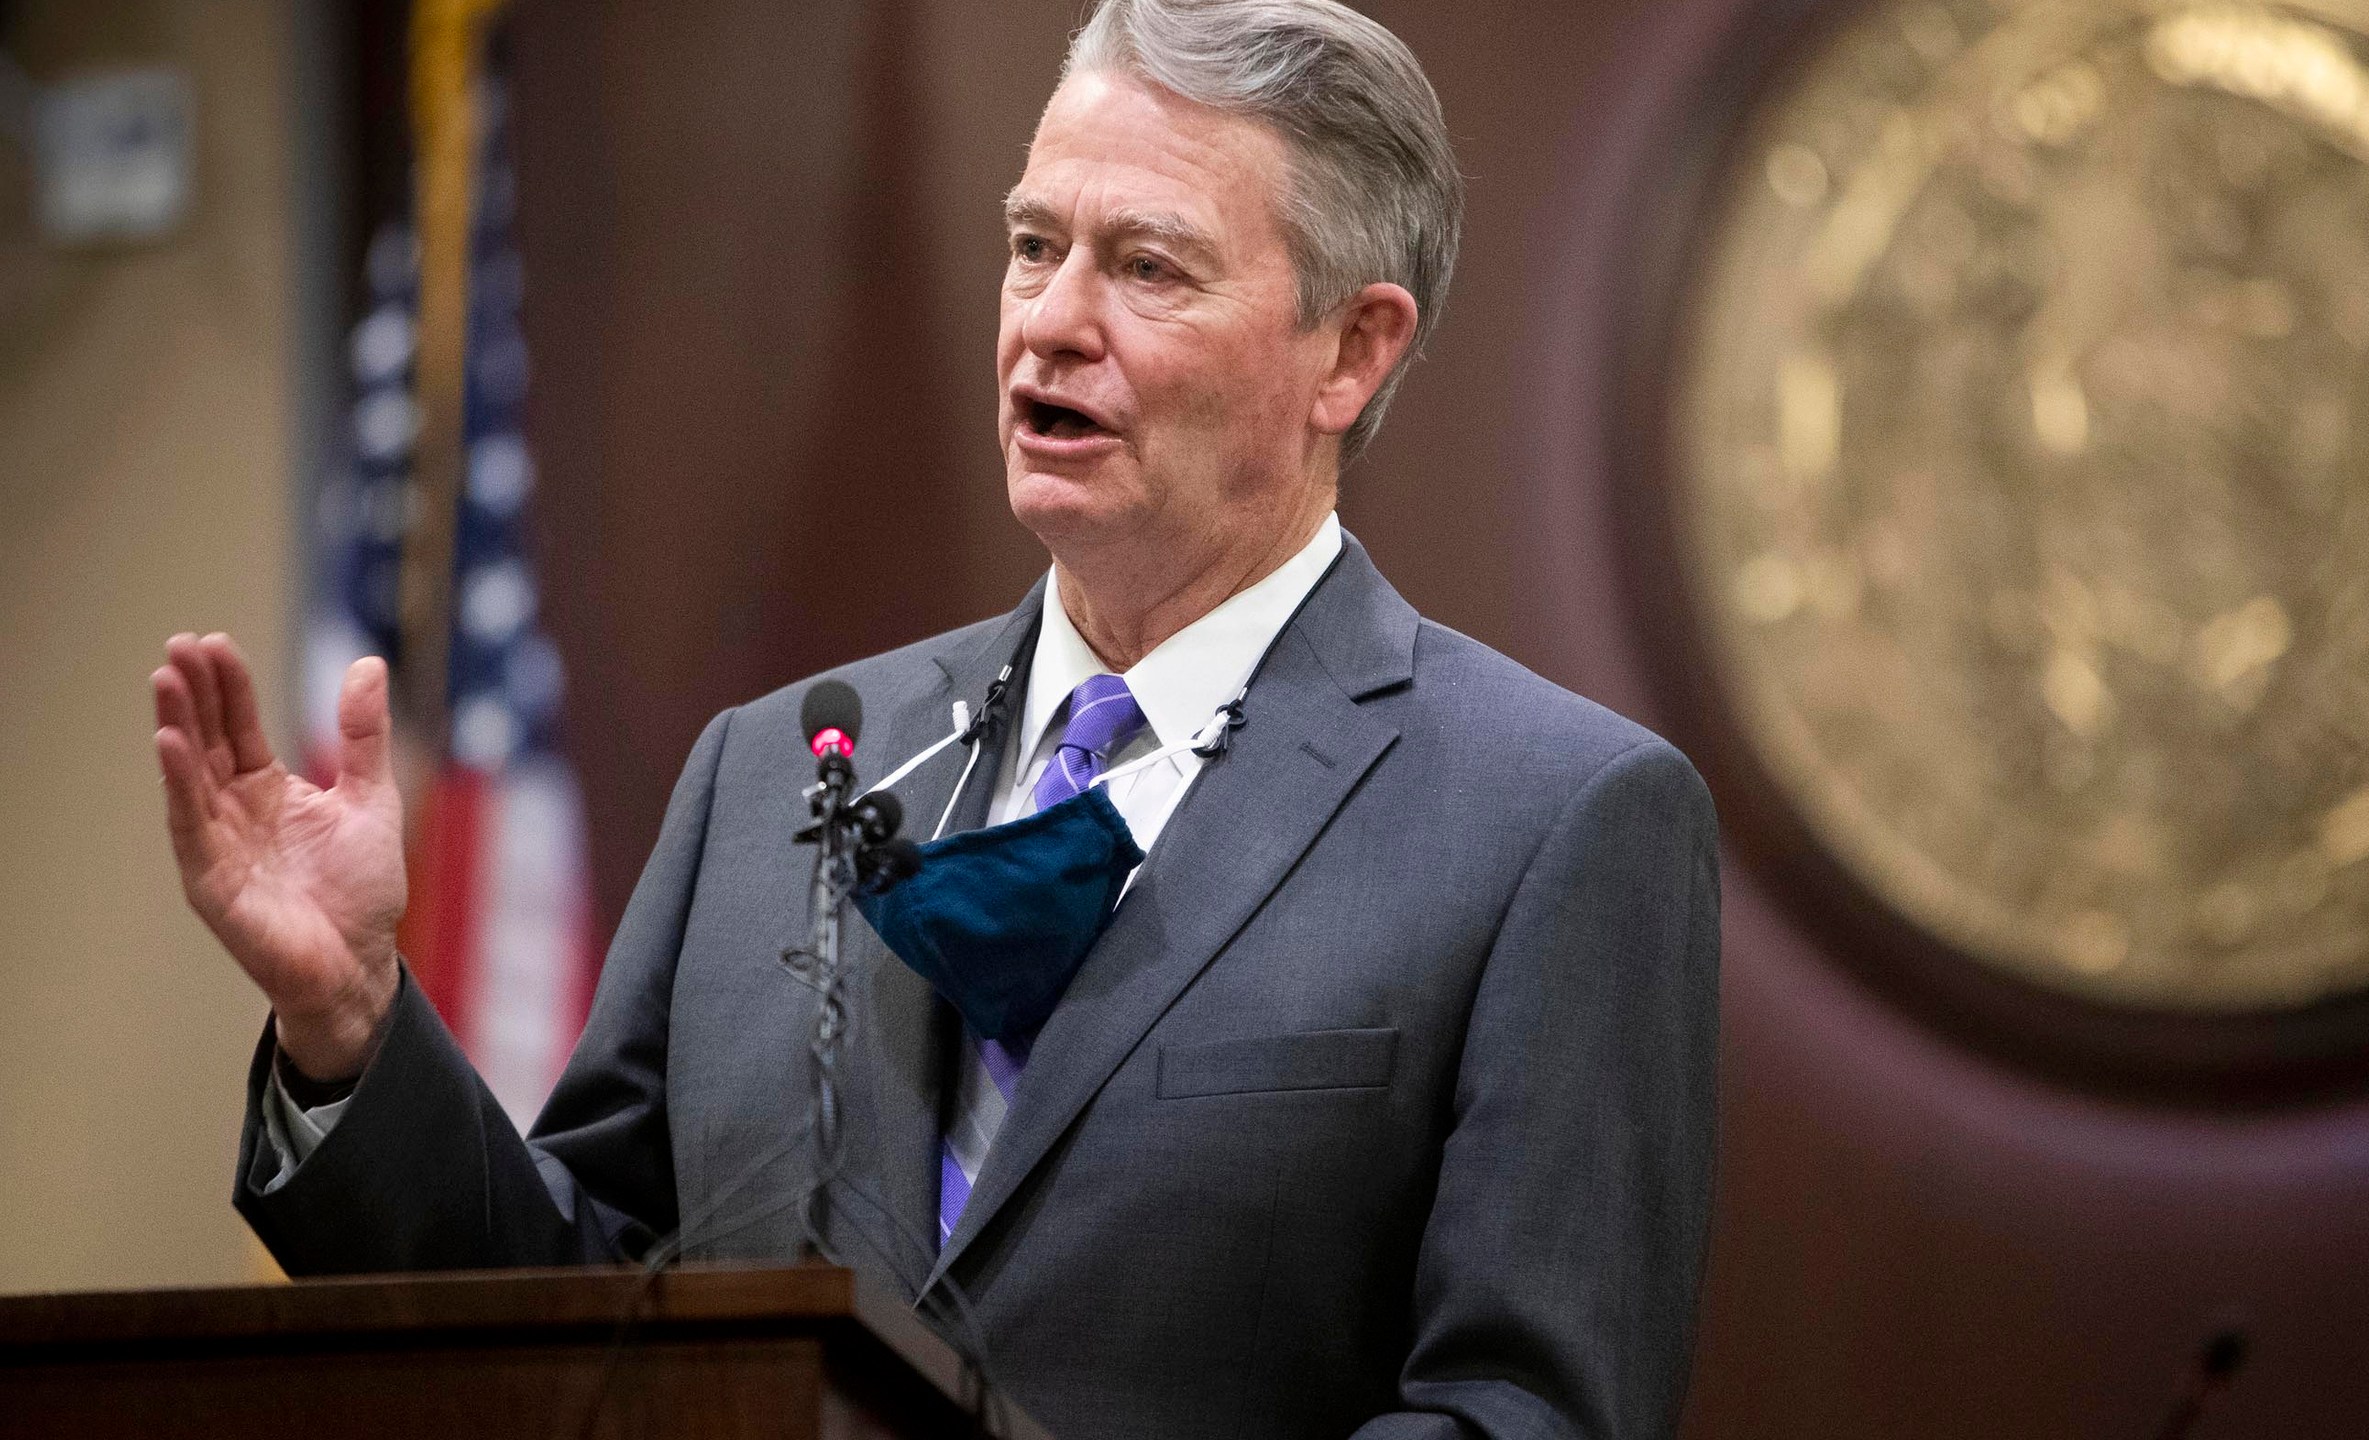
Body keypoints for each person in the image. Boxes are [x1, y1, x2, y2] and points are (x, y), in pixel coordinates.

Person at [151, 2, 1720, 1435]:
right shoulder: (771, 773)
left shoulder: (1548, 820)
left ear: (1350, 351)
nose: (1052, 321)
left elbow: (1524, 1415)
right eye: (1034, 246)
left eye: (1148, 267)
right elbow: (582, 1319)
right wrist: (351, 1026)